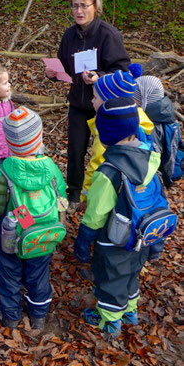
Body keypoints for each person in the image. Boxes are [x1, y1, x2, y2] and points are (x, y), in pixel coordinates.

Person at [74, 97, 163, 337]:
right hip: (142, 237)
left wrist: (83, 243)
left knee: (110, 280)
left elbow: (95, 215)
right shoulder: (150, 159)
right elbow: (156, 201)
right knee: (132, 274)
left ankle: (110, 321)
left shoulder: (109, 172)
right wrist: (156, 244)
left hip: (115, 241)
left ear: (105, 136)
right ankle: (130, 311)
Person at [0, 107, 67, 331]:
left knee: (8, 276)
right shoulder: (52, 169)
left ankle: (11, 316)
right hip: (43, 234)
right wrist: (62, 220)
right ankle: (38, 316)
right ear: (39, 139)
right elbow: (62, 198)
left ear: (8, 143)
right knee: (38, 275)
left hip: (8, 236)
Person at [46, 0, 130, 211]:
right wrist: (54, 74)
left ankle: (103, 195)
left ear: (96, 7)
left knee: (104, 152)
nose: (79, 11)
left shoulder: (108, 35)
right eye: (75, 6)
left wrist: (99, 76)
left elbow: (123, 71)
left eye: (84, 5)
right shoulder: (69, 35)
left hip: (104, 106)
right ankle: (74, 194)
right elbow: (64, 66)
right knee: (75, 150)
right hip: (78, 104)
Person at [80, 64, 154, 204]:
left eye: (95, 97)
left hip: (110, 192)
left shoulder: (109, 129)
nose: (92, 101)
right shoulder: (140, 119)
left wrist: (86, 196)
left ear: (108, 102)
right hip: (136, 193)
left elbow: (97, 164)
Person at [133, 75, 183, 186]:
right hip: (167, 173)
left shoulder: (149, 124)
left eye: (135, 95)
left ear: (145, 96)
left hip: (153, 181)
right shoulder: (167, 115)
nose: (131, 98)